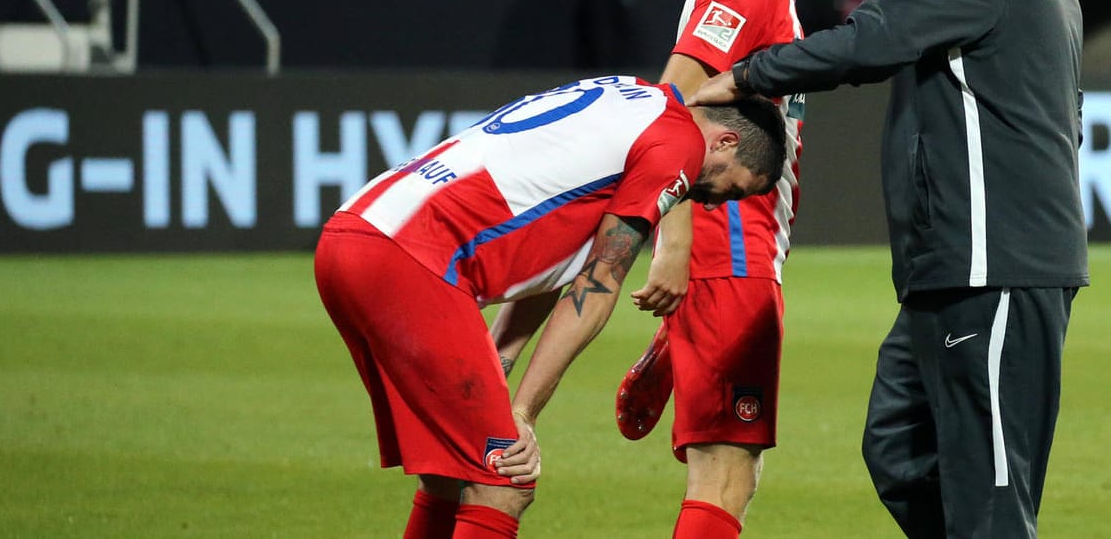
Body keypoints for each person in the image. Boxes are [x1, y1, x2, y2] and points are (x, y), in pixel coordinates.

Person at [692, 0, 1089, 538]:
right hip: (956, 265)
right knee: (899, 448)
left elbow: (873, 37)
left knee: (989, 501)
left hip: (994, 263)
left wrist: (748, 73)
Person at [314, 75, 786, 539]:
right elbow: (598, 283)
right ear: (724, 142)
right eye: (724, 190)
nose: (705, 204)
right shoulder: (678, 145)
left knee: (450, 473)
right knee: (504, 481)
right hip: (414, 259)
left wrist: (501, 360)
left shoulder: (627, 94)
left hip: (353, 234)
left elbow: (550, 260)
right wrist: (522, 413)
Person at [618, 0, 861, 538]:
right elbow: (672, 103)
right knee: (724, 474)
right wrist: (675, 242)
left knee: (733, 470)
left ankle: (676, 346)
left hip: (741, 254)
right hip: (728, 254)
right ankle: (681, 335)